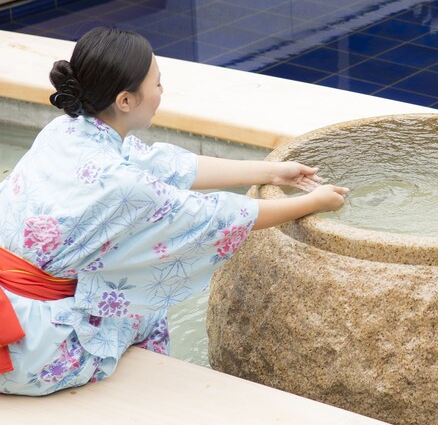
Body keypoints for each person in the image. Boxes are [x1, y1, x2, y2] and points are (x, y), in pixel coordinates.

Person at [0, 27, 349, 396]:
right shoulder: (124, 184)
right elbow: (217, 217)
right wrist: (313, 203)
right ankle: (149, 404)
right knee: (142, 306)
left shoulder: (64, 131)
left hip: (16, 307)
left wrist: (273, 171)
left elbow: (168, 164)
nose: (162, 92)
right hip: (31, 349)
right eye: (158, 84)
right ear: (125, 100)